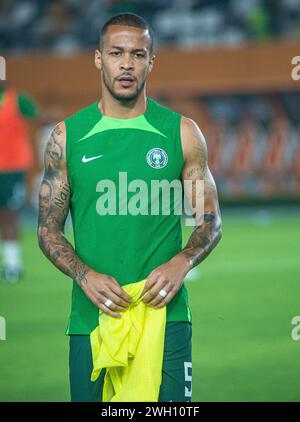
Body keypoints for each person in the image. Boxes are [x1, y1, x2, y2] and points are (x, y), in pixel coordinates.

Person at [37, 13, 222, 402]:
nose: (126, 63)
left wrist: (182, 261)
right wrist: (85, 275)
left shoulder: (182, 132)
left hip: (165, 318)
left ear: (151, 62)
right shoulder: (67, 136)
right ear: (98, 58)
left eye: (138, 54)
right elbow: (48, 229)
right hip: (91, 320)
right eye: (116, 52)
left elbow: (210, 220)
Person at [0, 80, 39, 282]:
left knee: (10, 216)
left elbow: (37, 117)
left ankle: (13, 265)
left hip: (12, 168)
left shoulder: (17, 99)